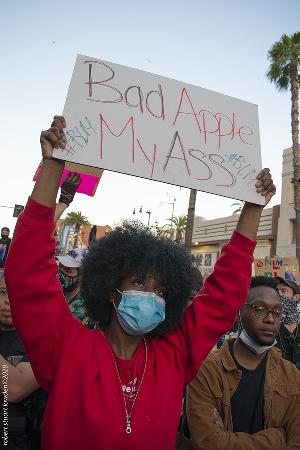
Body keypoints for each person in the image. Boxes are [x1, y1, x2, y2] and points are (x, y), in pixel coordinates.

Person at [4, 115, 276, 450]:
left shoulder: (175, 354)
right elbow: (27, 271)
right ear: (110, 289)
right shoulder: (66, 347)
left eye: (161, 291)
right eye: (141, 283)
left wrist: (252, 209)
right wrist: (53, 166)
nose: (152, 297)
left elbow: (222, 297)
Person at [188, 276, 300, 450]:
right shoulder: (207, 370)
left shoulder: (292, 376)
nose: (270, 319)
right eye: (260, 309)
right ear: (239, 312)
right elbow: (208, 443)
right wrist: (276, 438)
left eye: (277, 312)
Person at [0, 270, 39, 449]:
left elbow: (14, 388)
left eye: (14, 292)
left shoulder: (37, 339)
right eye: (2, 292)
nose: (8, 300)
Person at [276, 277, 300, 368]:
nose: (279, 294)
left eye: (283, 291)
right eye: (277, 291)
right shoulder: (272, 325)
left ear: (296, 297)